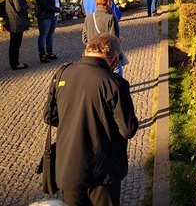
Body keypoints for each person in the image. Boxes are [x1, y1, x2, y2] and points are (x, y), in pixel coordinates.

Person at [44, 33, 138, 206]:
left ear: (86, 51)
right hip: (102, 170)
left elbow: (50, 117)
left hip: (69, 167)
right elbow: (128, 129)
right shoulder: (115, 83)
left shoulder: (62, 73)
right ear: (114, 59)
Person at [4, 0, 29, 70]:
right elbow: (18, 8)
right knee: (15, 44)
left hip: (12, 20)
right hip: (16, 21)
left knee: (14, 43)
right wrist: (28, 5)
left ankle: (14, 62)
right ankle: (15, 63)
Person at [35, 0, 60, 64]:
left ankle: (50, 52)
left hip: (54, 16)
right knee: (43, 35)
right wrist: (57, 9)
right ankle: (42, 54)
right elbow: (44, 6)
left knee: (50, 34)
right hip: (45, 16)